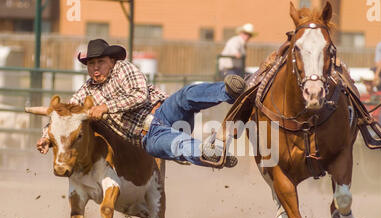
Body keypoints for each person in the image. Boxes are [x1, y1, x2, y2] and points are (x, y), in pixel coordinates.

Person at [37, 39, 246, 168]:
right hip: (146, 135)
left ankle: (231, 92)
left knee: (186, 94)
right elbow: (65, 114)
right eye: (91, 64)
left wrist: (106, 107)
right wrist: (46, 136)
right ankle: (213, 156)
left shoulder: (124, 69)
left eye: (100, 61)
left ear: (111, 61)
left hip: (164, 112)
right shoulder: (85, 92)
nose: (95, 68)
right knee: (179, 145)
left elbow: (140, 95)